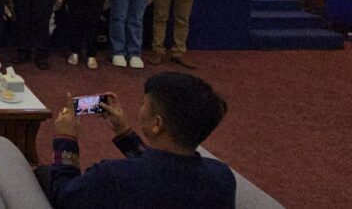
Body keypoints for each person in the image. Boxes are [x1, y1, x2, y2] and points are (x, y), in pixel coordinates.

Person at [41, 73, 235, 209]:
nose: (140, 109)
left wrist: (65, 138)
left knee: (45, 174)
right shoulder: (222, 176)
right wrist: (125, 133)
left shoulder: (111, 176)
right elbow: (159, 170)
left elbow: (65, 198)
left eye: (143, 104)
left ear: (157, 123)